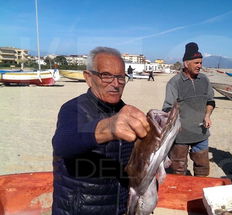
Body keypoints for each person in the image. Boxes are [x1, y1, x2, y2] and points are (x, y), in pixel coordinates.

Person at [52, 47, 150, 215]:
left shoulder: (126, 112)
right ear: (88, 78)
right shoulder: (73, 109)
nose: (115, 83)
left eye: (120, 77)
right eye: (106, 75)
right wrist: (108, 127)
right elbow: (62, 143)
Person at [162, 42, 215, 177]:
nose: (200, 66)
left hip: (201, 132)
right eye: (196, 63)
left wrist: (207, 115)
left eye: (201, 62)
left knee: (202, 168)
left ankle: (198, 194)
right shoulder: (174, 83)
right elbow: (167, 108)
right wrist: (175, 123)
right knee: (178, 169)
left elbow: (210, 101)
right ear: (186, 63)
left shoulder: (204, 80)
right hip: (181, 135)